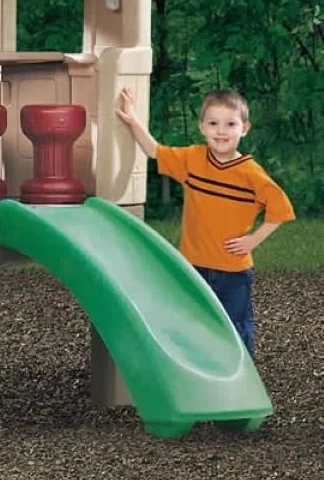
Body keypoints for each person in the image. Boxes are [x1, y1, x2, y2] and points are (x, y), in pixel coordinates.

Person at [116, 86, 295, 357]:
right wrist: (132, 119)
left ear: (244, 128)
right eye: (213, 123)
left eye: (230, 124)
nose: (221, 131)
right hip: (192, 265)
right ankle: (200, 370)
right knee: (192, 324)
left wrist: (253, 240)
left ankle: (242, 374)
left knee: (234, 327)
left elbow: (281, 208)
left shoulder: (251, 173)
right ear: (202, 127)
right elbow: (154, 150)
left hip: (232, 271)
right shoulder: (193, 159)